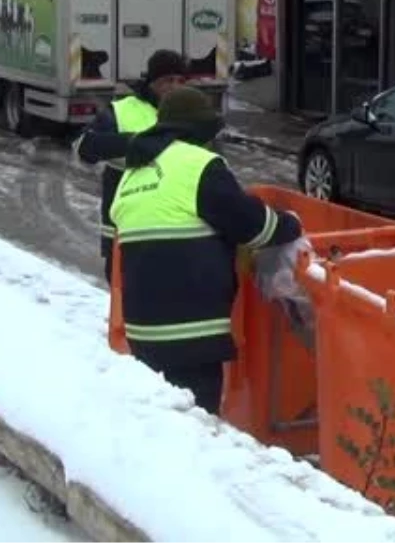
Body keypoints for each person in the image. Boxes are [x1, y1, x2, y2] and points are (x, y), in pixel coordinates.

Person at [109, 86, 302, 414]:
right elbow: (252, 227)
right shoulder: (198, 164)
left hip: (143, 331)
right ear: (198, 130)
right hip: (192, 333)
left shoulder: (132, 174)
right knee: (195, 422)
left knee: (161, 418)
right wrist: (292, 224)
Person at [72, 49, 188, 281]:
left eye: (180, 81)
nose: (175, 86)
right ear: (153, 82)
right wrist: (135, 143)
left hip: (177, 230)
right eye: (168, 80)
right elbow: (83, 147)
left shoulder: (190, 115)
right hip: (127, 233)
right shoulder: (123, 110)